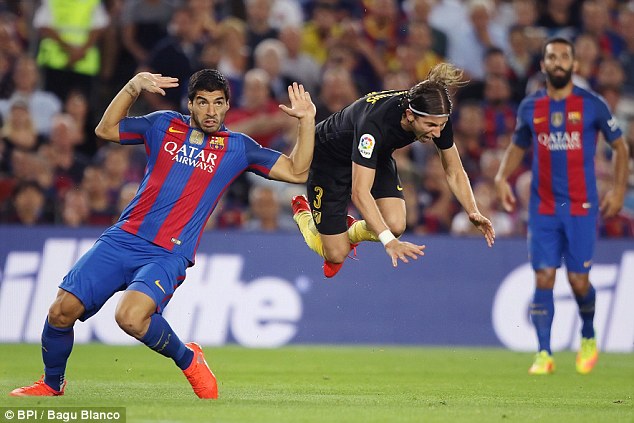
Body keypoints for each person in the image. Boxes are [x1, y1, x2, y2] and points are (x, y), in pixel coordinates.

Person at [9, 69, 316, 398]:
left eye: (218, 103)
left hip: (169, 253)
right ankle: (52, 384)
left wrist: (307, 119)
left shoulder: (238, 147)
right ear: (190, 104)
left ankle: (189, 359)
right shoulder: (163, 125)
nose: (211, 111)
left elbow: (297, 170)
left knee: (130, 317)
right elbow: (105, 129)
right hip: (123, 238)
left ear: (228, 106)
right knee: (61, 310)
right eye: (203, 102)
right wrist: (132, 86)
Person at [494, 37, 629, 375]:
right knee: (543, 276)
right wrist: (500, 178)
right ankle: (543, 353)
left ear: (575, 65)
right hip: (544, 207)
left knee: (579, 281)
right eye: (551, 57)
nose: (557, 62)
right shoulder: (530, 107)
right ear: (543, 65)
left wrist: (617, 190)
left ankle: (587, 334)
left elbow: (621, 147)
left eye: (563, 57)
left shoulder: (591, 104)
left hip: (581, 206)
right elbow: (518, 145)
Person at [291, 62, 495, 278]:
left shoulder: (433, 114)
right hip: (330, 156)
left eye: (441, 126)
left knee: (395, 224)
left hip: (375, 154)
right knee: (336, 254)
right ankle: (302, 211)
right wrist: (389, 242)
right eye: (430, 126)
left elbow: (454, 170)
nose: (437, 133)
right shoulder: (374, 124)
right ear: (409, 115)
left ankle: (350, 230)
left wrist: (472, 210)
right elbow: (360, 193)